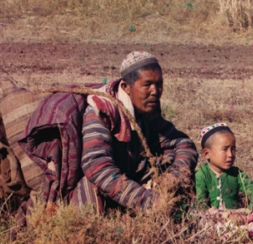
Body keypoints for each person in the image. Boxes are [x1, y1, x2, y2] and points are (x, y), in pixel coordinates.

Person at [70, 51, 198, 213]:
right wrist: (146, 200)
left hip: (133, 178)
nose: (155, 91)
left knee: (171, 159)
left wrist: (175, 176)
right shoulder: (101, 111)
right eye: (147, 85)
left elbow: (183, 143)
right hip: (111, 186)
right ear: (126, 87)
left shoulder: (147, 110)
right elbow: (96, 165)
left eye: (159, 84)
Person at [195, 123, 253, 237]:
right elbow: (200, 205)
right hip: (214, 220)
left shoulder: (236, 173)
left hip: (239, 218)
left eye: (233, 149)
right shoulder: (202, 175)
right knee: (208, 228)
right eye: (224, 149)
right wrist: (225, 216)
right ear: (207, 154)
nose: (230, 154)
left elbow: (250, 187)